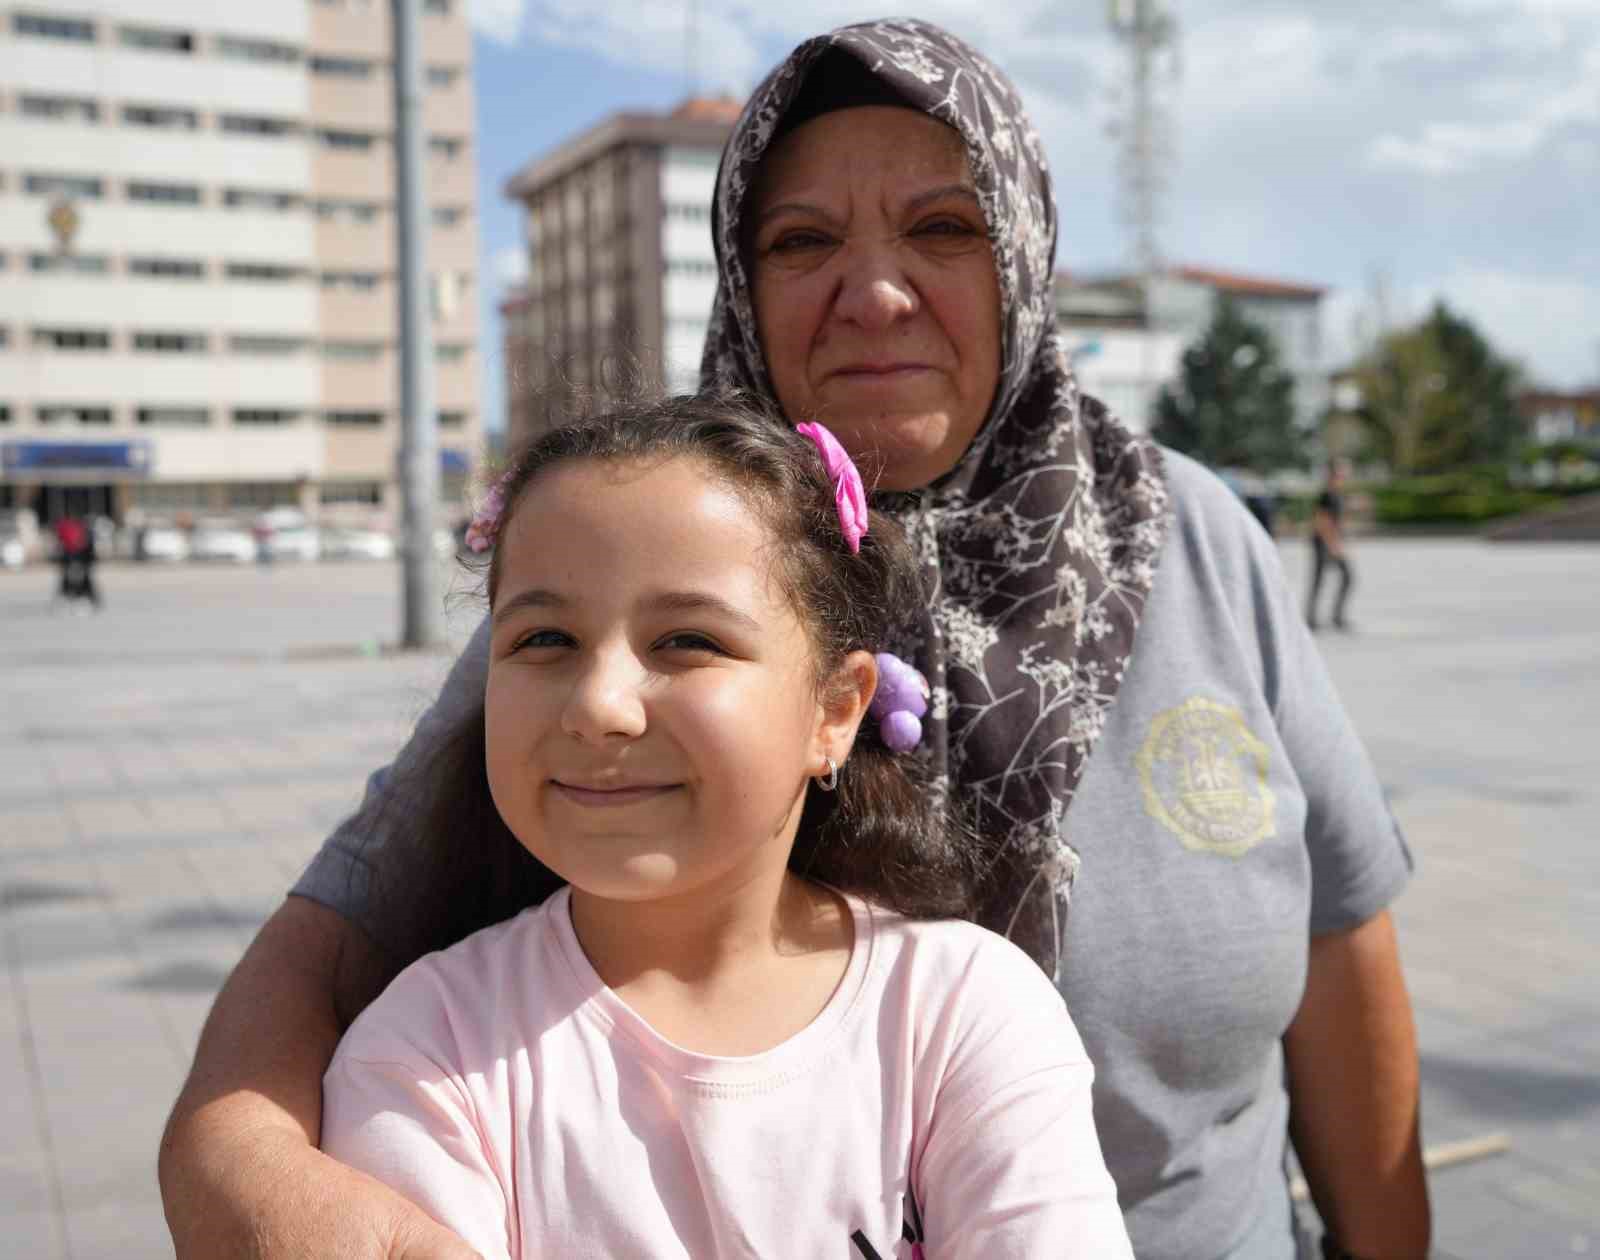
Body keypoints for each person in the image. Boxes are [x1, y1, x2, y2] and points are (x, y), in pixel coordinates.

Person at [160, 19, 1429, 1260]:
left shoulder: (1187, 533)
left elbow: (1342, 942)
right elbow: (320, 958)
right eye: (800, 241)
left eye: (944, 228)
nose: (872, 292)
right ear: (743, 283)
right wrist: (264, 1184)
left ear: (1026, 255)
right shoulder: (634, 562)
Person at [318, 401, 1133, 1257]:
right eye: (546, 637)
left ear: (836, 709)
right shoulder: (427, 1049)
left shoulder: (963, 1013)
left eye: (686, 640)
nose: (599, 705)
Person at [1307, 460, 1354, 631]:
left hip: (1332, 542)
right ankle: (1312, 618)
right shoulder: (1327, 495)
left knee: (1343, 578)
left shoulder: (1337, 494)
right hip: (1323, 542)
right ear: (1334, 474)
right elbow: (1321, 521)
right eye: (1343, 472)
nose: (1346, 475)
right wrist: (1333, 545)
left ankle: (1335, 616)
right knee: (1324, 579)